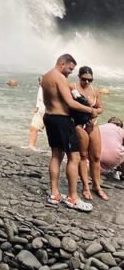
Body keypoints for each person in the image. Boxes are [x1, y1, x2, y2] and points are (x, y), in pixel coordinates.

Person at [40, 54, 101, 211]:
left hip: (49, 117)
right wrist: (90, 110)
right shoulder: (59, 77)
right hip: (62, 120)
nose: (69, 73)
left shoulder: (46, 77)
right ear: (61, 64)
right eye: (69, 69)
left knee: (56, 155)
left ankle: (54, 194)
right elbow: (70, 102)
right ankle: (73, 197)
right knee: (74, 157)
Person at [71, 67, 106, 201]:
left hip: (93, 123)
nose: (86, 82)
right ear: (79, 77)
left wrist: (96, 111)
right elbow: (69, 104)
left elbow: (101, 107)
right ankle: (86, 186)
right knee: (83, 156)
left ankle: (97, 186)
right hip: (80, 125)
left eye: (89, 80)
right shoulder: (72, 87)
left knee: (96, 156)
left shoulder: (94, 90)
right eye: (83, 79)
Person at [28, 76, 45, 150]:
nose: (40, 82)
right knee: (33, 127)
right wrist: (37, 108)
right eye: (39, 81)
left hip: (48, 113)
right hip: (40, 111)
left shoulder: (50, 89)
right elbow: (39, 99)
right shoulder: (40, 88)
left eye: (41, 81)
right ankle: (31, 146)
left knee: (53, 133)